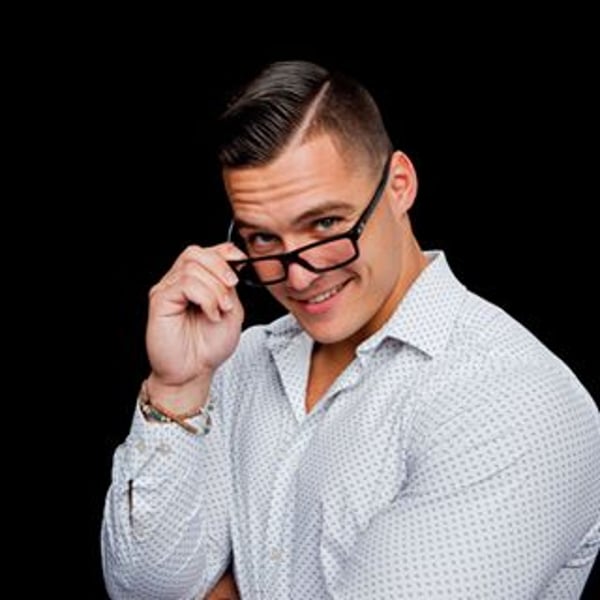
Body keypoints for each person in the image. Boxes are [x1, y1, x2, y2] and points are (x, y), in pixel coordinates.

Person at [101, 60, 600, 599]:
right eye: (263, 239)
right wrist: (177, 389)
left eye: (325, 224)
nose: (299, 277)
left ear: (399, 185)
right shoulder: (237, 363)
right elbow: (144, 590)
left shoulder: (514, 396)